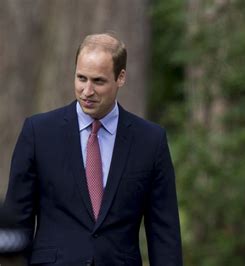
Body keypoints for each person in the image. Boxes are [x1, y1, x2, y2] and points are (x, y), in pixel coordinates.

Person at [4, 33, 183, 265]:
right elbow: (17, 224)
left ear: (121, 77)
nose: (87, 91)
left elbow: (164, 234)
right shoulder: (38, 132)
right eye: (81, 78)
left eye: (98, 81)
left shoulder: (150, 141)